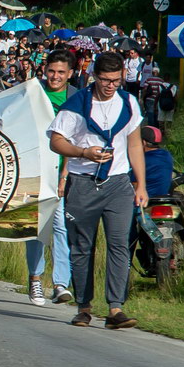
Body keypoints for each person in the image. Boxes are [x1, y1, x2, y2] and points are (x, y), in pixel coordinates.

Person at [47, 51, 147, 329]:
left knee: (118, 245)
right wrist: (82, 152)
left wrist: (141, 184)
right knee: (82, 246)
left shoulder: (128, 103)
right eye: (105, 80)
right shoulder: (77, 104)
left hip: (118, 183)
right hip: (83, 182)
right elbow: (56, 142)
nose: (110, 85)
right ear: (94, 76)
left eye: (116, 80)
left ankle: (115, 308)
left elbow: (135, 143)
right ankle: (84, 307)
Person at [25, 49, 76, 306]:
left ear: (70, 73)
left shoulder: (74, 98)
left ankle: (60, 284)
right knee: (36, 226)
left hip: (59, 171)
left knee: (59, 226)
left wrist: (65, 176)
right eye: (51, 71)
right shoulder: (32, 91)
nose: (55, 76)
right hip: (33, 169)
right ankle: (35, 279)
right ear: (44, 70)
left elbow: (73, 138)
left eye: (61, 72)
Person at [136, 126, 174, 198]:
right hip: (163, 196)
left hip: (145, 199)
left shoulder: (142, 159)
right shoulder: (167, 155)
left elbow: (134, 184)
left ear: (143, 142)